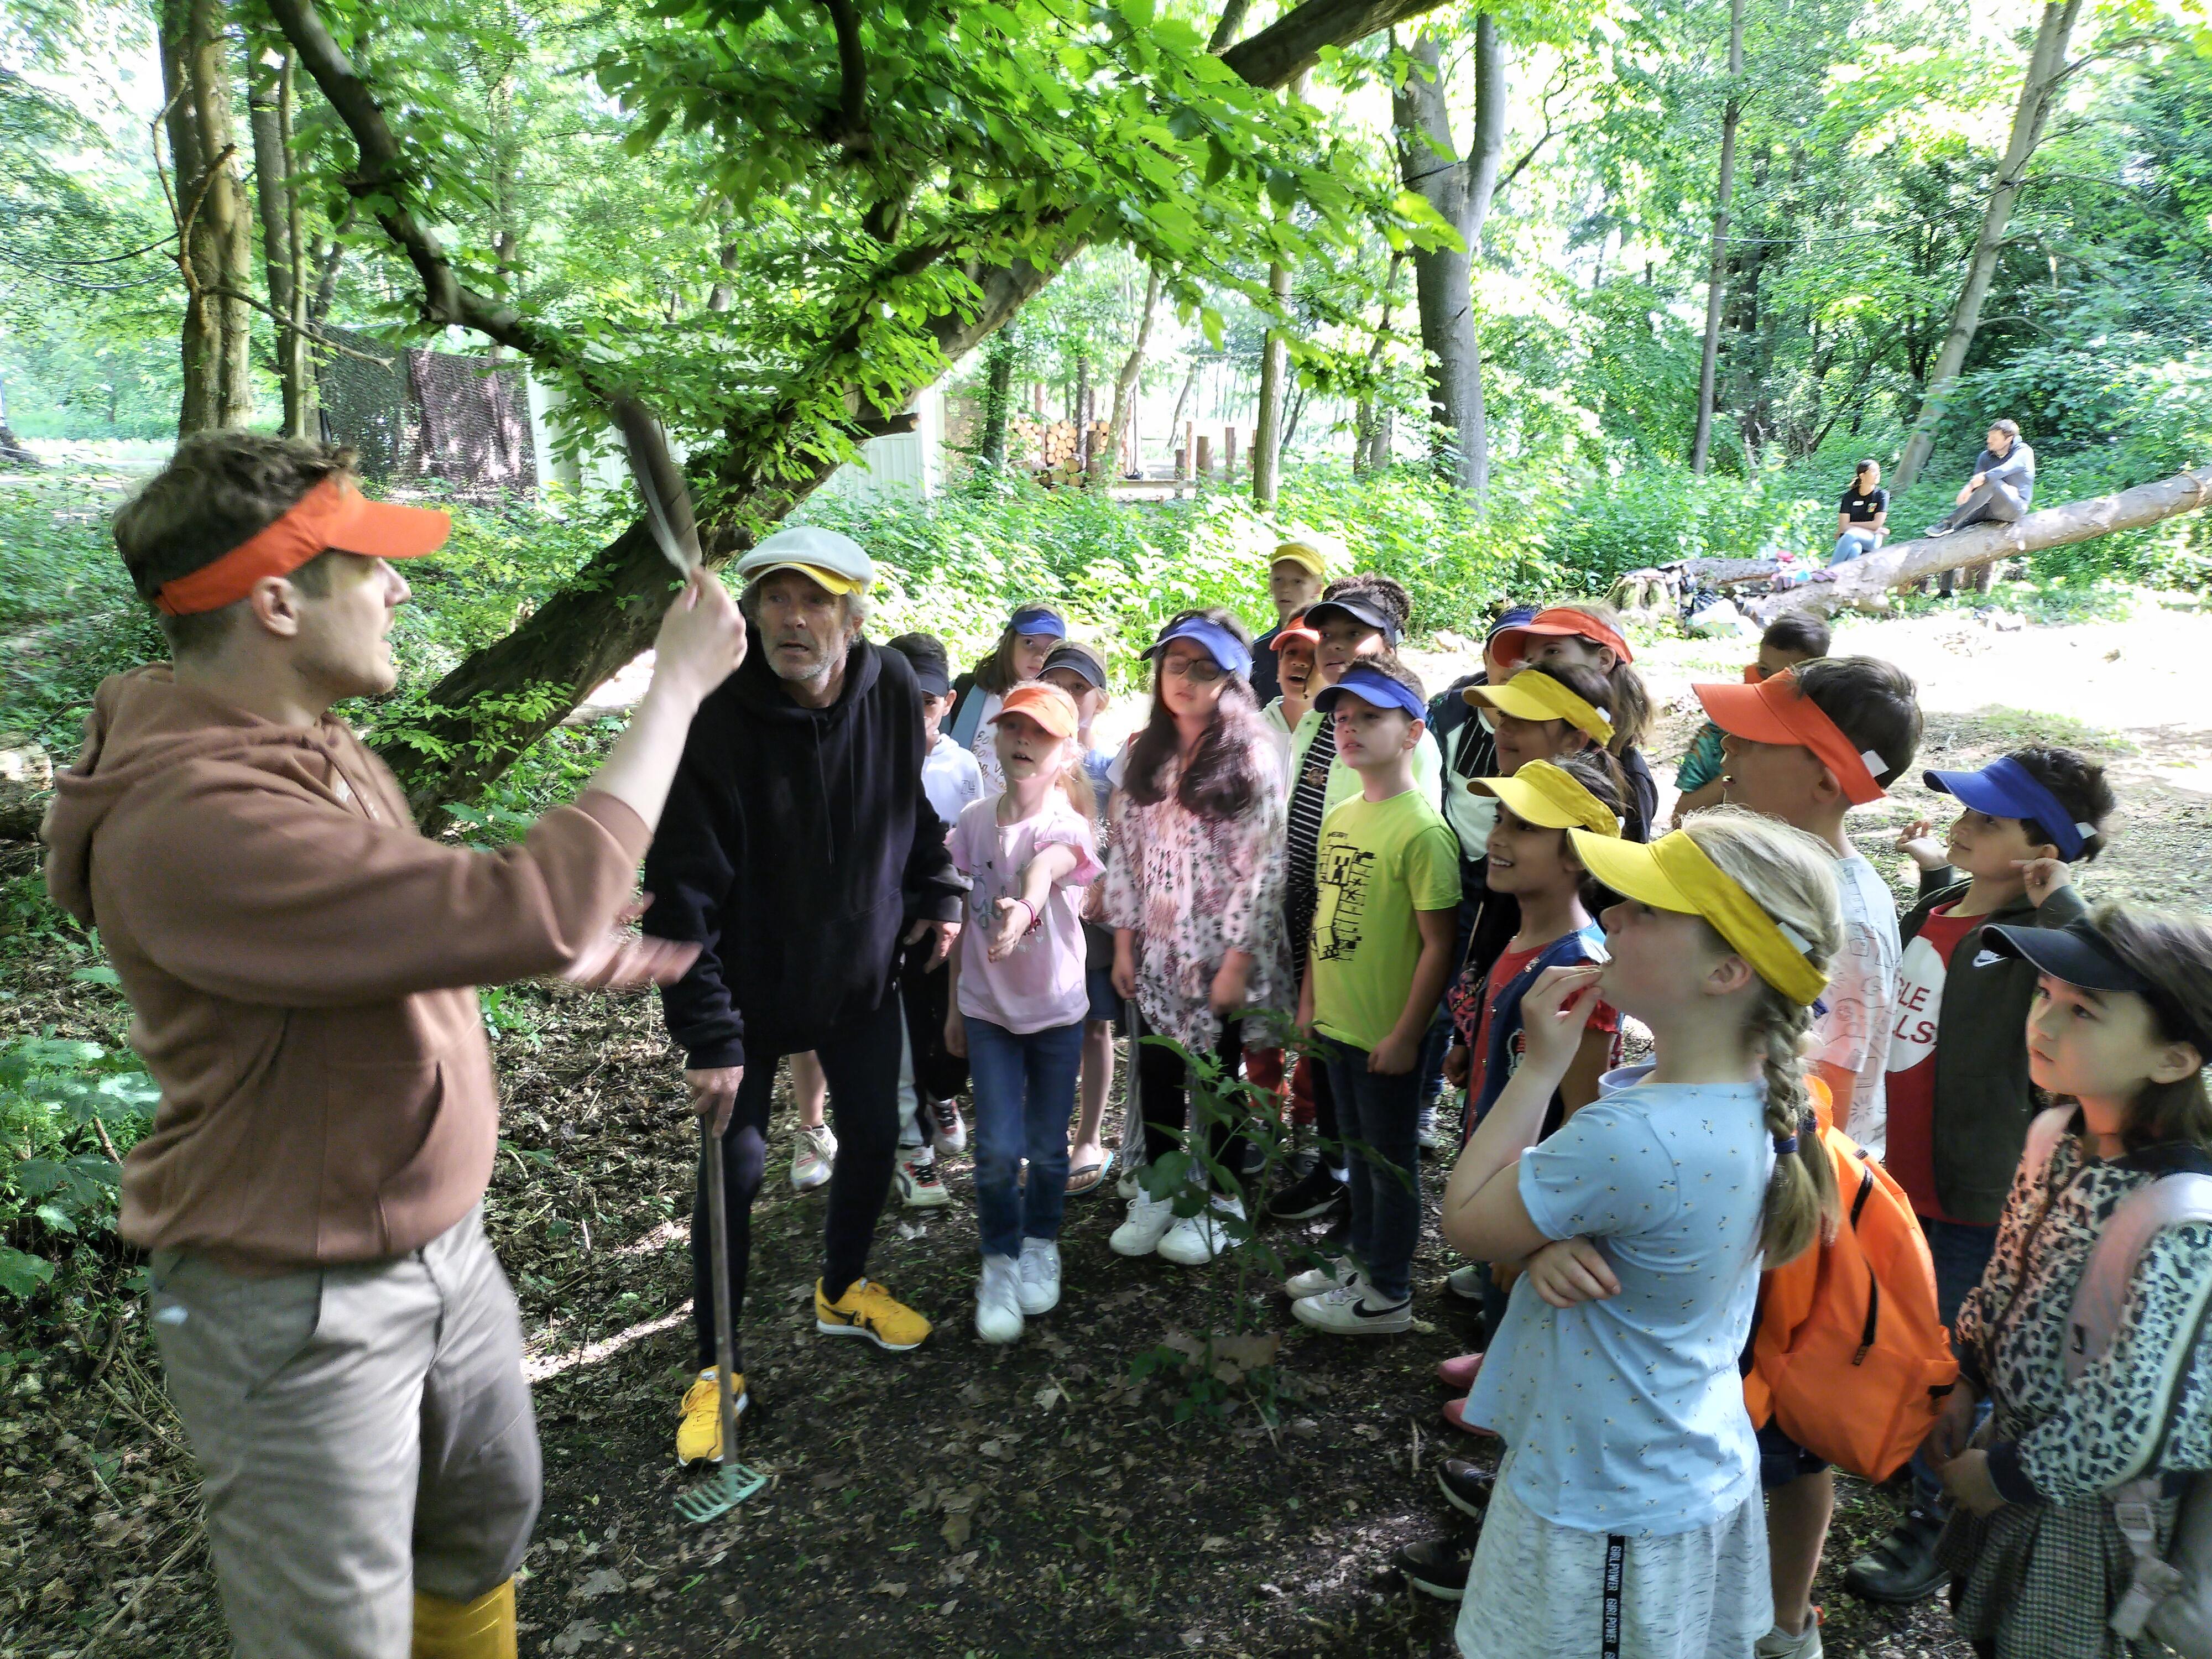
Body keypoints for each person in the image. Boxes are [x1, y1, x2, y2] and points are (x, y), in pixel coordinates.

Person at [46, 430, 747, 1659]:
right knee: (336, 1637)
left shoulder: (315, 744)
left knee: (481, 1531)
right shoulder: (191, 815)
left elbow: (398, 910)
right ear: (273, 602)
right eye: (368, 563)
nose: (399, 586)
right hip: (294, 1294)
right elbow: (527, 898)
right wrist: (673, 687)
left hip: (442, 1249)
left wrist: (541, 941)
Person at [1436, 811, 1845, 1657]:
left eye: (1650, 910)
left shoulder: (1636, 1137)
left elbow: (1466, 1219)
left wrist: (1538, 1065)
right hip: (1671, 1460)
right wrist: (1542, 1241)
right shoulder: (1746, 1098)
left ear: (1729, 970)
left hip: (1608, 1498)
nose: (1613, 913)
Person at [643, 526, 964, 1465]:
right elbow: (680, 886)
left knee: (872, 1138)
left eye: (816, 600)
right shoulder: (713, 713)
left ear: (854, 618)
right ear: (750, 612)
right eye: (776, 598)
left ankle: (843, 1288)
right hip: (743, 993)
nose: (794, 618)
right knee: (731, 1179)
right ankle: (717, 1368)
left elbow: (909, 810)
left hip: (857, 981)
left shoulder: (891, 689)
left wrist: (937, 887)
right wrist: (707, 1032)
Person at [1840, 748, 2115, 1606]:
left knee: (1953, 1365)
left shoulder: (2053, 941)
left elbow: (2101, 977)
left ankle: (1939, 1522)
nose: (1963, 825)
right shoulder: (1936, 909)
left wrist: (2055, 897)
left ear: (2046, 851)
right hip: (1896, 1174)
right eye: (1966, 811)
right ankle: (1919, 1472)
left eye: (1987, 822)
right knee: (1902, 1340)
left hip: (1974, 1198)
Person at [1691, 654, 1922, 1658]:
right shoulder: (1797, 875)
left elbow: (1803, 1086)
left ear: (1828, 778)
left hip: (1783, 1203)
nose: (1730, 752)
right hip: (1775, 1185)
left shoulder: (1831, 907)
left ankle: (1780, 1618)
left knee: (1779, 1421)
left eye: (1756, 742)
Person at [1931, 906, 2212, 1659]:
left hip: (2089, 1509)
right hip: (2011, 1448)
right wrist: (1964, 1375)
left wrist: (2005, 1480)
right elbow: (2006, 1274)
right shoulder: (2055, 1134)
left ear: (2174, 1061)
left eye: (2083, 1011)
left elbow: (2134, 1417)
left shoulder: (2186, 1218)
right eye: (2044, 993)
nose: (2044, 1023)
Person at [1103, 609, 1290, 1265]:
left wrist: (1237, 962)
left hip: (1224, 952)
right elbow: (1123, 853)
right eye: (1173, 664)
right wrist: (1124, 944)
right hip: (1158, 950)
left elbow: (1263, 870)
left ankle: (1222, 1197)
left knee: (1223, 1073)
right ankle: (1159, 1187)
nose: (1183, 678)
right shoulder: (1140, 751)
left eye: (1202, 667)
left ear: (1231, 678)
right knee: (1156, 1069)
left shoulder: (1253, 755)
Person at [1286, 660, 1461, 1335]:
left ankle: (1388, 1291)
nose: (1350, 729)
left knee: (1389, 1165)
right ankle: (1360, 1262)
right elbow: (1324, 919)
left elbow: (1439, 947)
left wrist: (1407, 1034)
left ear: (1413, 732)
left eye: (1370, 717)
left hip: (1385, 1032)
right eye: (1342, 718)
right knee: (1355, 1153)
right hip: (1337, 1022)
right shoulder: (1341, 814)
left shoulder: (1422, 831)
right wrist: (1308, 1003)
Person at [1265, 575, 1443, 1228]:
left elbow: (1412, 838)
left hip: (1371, 910)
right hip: (1315, 903)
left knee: (1367, 1066)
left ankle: (1365, 1200)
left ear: (1388, 642)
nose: (1334, 647)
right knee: (1325, 1044)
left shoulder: (1400, 731)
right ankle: (1336, 1168)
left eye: (1352, 635)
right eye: (1328, 635)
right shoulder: (1321, 714)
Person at [942, 682, 1101, 1343]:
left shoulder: (1066, 822)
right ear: (995, 738)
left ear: (1067, 751)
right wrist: (955, 1006)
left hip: (1057, 1012)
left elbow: (1048, 864)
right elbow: (961, 913)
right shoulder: (975, 821)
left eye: (1040, 733)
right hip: (987, 1013)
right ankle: (999, 1260)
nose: (1023, 742)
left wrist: (1028, 907)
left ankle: (1041, 1242)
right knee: (998, 1148)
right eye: (1013, 729)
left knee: (1046, 1144)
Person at [885, 632, 985, 1209]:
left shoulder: (962, 765)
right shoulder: (867, 754)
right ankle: (911, 1148)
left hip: (948, 915)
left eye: (925, 702)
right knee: (899, 1035)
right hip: (889, 922)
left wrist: (960, 907)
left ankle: (943, 1094)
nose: (914, 714)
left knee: (948, 1022)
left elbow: (966, 844)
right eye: (901, 699)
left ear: (947, 702)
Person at [1040, 639, 1121, 1198]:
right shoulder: (1020, 756)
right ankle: (1047, 1132)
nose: (1066, 698)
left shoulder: (1111, 768)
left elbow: (1124, 841)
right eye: (1056, 685)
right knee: (1042, 1024)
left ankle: (1089, 1137)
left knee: (1095, 1024)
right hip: (1039, 917)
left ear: (1100, 699)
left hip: (1093, 917)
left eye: (1077, 688)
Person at [1486, 602, 1659, 839]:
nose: (1534, 668)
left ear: (1604, 660)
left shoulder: (1630, 779)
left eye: (1552, 652)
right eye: (1529, 658)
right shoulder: (1528, 745)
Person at [1673, 614, 1832, 826]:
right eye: (1764, 671)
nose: (1769, 686)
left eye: (1789, 677)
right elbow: (1680, 818)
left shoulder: (1817, 743)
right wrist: (1737, 771)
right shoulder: (1718, 733)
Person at [948, 601, 1067, 793]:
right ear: (1008, 643)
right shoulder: (966, 691)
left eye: (1050, 649)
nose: (1039, 656)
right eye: (1029, 643)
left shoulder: (1059, 712)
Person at [1249, 533, 1333, 706]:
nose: (1286, 589)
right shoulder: (1257, 652)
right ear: (1270, 585)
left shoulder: (1334, 647)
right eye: (1278, 580)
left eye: (1297, 581)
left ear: (1318, 588)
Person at [1925, 418, 2034, 540]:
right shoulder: (1985, 456)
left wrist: (1985, 479)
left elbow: (2006, 468)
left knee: (1993, 484)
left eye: (1994, 439)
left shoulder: (2024, 452)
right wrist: (1970, 487)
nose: (1989, 441)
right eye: (1989, 437)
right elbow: (1977, 482)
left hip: (2015, 507)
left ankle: (1948, 523)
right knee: (1953, 533)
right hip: (1987, 508)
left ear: (2008, 439)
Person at [1259, 611, 1321, 749]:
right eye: (1291, 652)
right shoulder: (1245, 732)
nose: (1299, 662)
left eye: (1314, 655)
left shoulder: (1344, 739)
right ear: (1279, 667)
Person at [1832, 460, 1889, 564]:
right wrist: (1871, 528)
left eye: (1879, 471)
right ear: (1862, 475)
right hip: (1853, 538)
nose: (1878, 474)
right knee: (1855, 549)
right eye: (1873, 471)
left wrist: (1852, 524)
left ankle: (1829, 571)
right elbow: (1843, 527)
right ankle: (1846, 579)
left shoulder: (1881, 495)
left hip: (1872, 538)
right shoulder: (1849, 496)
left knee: (1850, 534)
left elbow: (1877, 524)